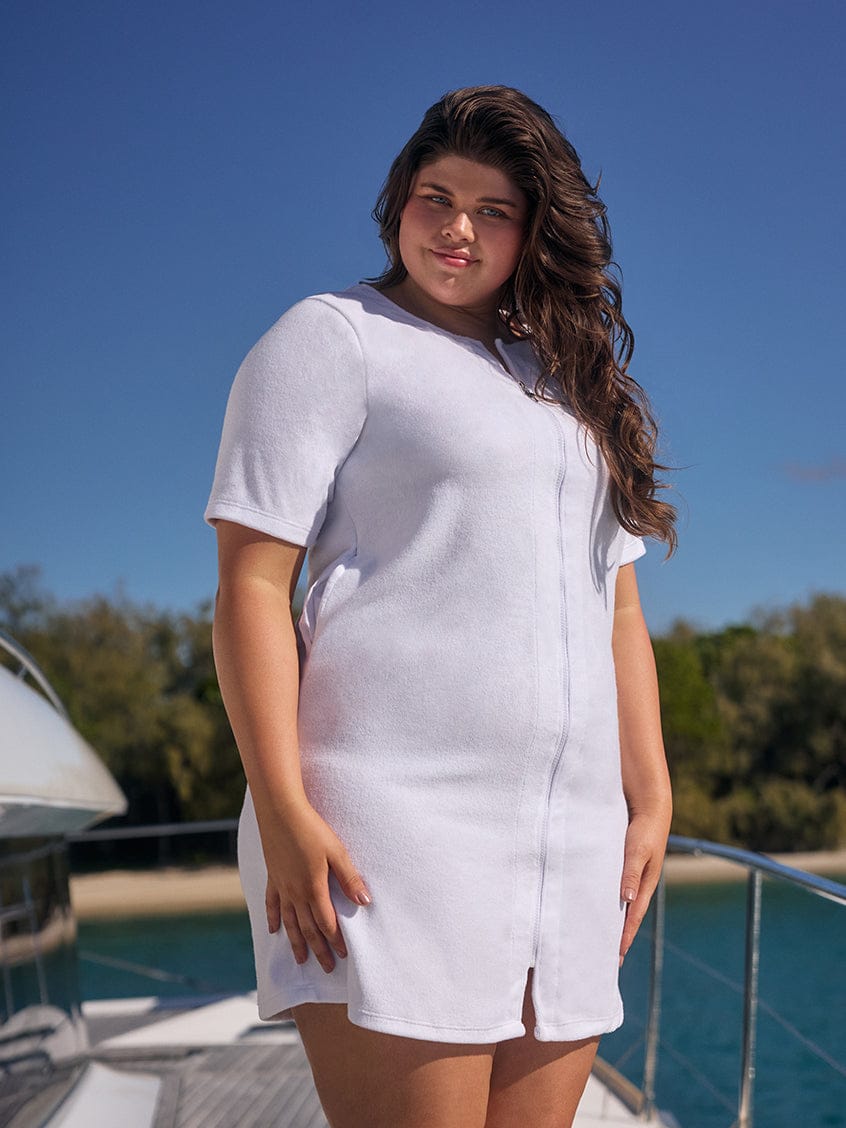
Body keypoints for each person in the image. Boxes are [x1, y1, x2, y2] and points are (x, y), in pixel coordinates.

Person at [205, 85, 675, 1128]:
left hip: (570, 844)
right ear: (399, 202)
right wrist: (282, 810)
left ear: (534, 231)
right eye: (437, 197)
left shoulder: (569, 383)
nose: (457, 228)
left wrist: (650, 796)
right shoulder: (333, 338)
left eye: (492, 210)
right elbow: (250, 586)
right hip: (386, 831)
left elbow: (617, 607)